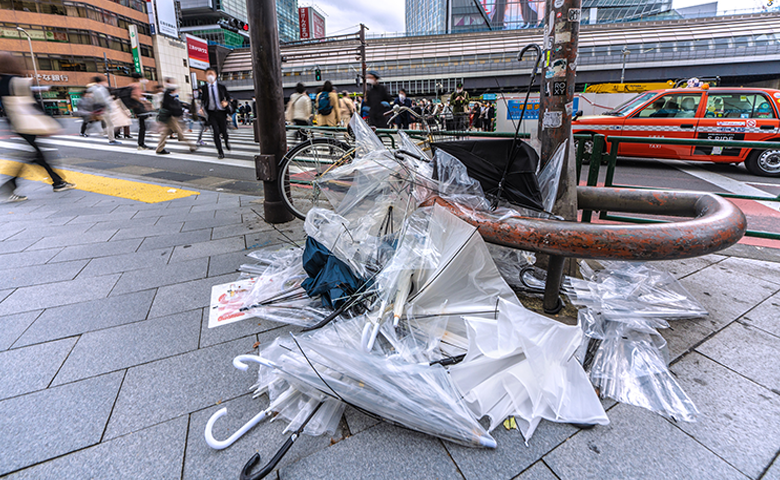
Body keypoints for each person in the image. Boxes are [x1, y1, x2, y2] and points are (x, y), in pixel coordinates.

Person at [0, 52, 74, 200]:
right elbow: (33, 105)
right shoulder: (18, 81)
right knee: (35, 154)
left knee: (36, 154)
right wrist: (49, 120)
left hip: (15, 123)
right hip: (27, 122)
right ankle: (9, 186)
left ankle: (57, 181)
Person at [156, 78, 196, 155]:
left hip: (170, 117)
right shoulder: (168, 95)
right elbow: (173, 106)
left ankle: (159, 148)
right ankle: (192, 145)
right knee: (180, 132)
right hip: (171, 117)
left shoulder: (170, 96)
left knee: (165, 133)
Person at [199, 67, 231, 159]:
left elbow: (228, 97)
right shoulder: (204, 88)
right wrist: (201, 108)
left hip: (221, 112)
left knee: (224, 131)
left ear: (216, 75)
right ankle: (220, 152)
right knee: (215, 132)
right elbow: (202, 100)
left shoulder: (221, 87)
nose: (210, 76)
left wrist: (226, 102)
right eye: (208, 74)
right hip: (211, 113)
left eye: (211, 74)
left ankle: (226, 141)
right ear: (205, 76)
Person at [88, 75, 120, 144]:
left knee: (106, 123)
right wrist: (110, 108)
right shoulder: (100, 89)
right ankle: (111, 139)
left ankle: (107, 135)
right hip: (104, 108)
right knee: (110, 124)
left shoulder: (92, 89)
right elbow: (104, 100)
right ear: (101, 81)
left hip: (98, 109)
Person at [128, 72, 152, 150]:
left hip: (135, 107)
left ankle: (141, 143)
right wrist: (143, 101)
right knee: (143, 127)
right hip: (138, 107)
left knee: (142, 126)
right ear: (139, 78)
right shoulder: (136, 86)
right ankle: (141, 144)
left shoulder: (130, 85)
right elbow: (135, 96)